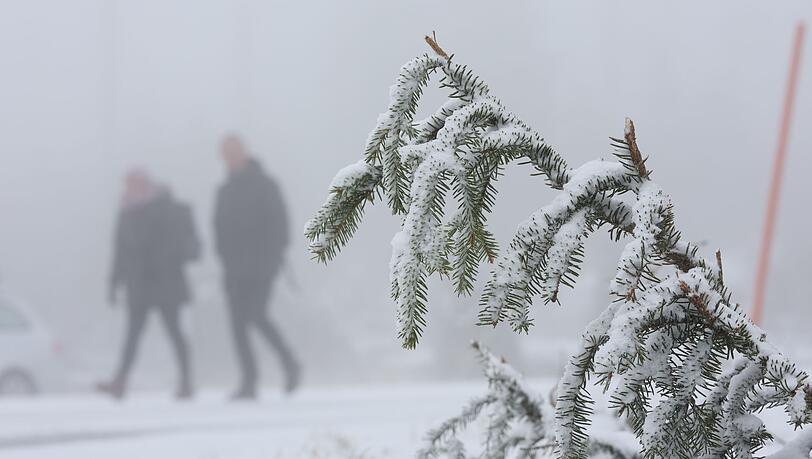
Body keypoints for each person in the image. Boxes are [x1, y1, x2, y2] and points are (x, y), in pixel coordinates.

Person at [98, 168, 199, 400]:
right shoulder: (126, 213)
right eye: (128, 184)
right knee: (132, 335)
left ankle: (186, 381)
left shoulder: (166, 207)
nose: (130, 188)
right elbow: (120, 251)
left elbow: (178, 243)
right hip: (139, 285)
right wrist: (114, 283)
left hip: (165, 283)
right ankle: (120, 381)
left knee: (174, 332)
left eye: (135, 183)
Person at [215, 134, 300, 400]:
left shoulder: (265, 184)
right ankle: (249, 381)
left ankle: (290, 362)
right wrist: (225, 259)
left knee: (256, 314)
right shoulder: (224, 191)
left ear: (244, 153)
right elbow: (218, 228)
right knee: (237, 324)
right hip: (234, 268)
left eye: (234, 152)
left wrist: (274, 255)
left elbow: (280, 222)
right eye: (226, 153)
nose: (230, 158)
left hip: (262, 264)